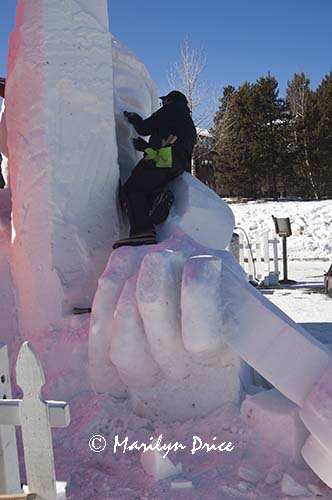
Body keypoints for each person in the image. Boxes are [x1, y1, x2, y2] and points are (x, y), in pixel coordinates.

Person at [113, 90, 197, 249]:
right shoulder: (189, 123)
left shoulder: (171, 109)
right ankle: (158, 199)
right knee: (147, 189)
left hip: (161, 160)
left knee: (132, 189)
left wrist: (135, 118)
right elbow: (173, 144)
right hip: (177, 166)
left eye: (164, 102)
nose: (163, 104)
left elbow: (144, 129)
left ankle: (142, 232)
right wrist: (146, 147)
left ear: (170, 100)